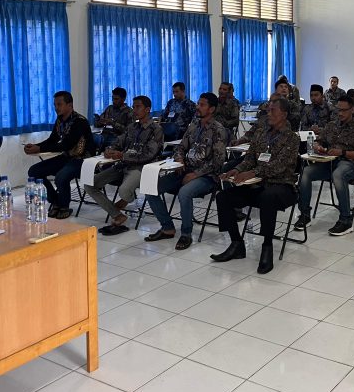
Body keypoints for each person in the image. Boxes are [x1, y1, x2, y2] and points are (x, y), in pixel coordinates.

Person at [212, 97, 300, 274]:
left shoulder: (291, 138)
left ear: (284, 114)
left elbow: (279, 166)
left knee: (268, 197)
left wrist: (253, 173)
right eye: (268, 110)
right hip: (257, 184)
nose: (269, 113)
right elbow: (250, 159)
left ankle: (267, 247)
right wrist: (236, 170)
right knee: (223, 197)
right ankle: (236, 243)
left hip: (282, 185)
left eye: (273, 110)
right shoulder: (261, 133)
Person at [146, 93, 227, 250]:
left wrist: (196, 174)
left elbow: (218, 162)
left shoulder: (218, 130)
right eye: (198, 103)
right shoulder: (194, 126)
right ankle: (167, 227)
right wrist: (180, 160)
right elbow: (181, 148)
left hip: (207, 176)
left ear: (211, 109)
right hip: (184, 170)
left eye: (202, 105)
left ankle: (186, 233)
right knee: (150, 189)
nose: (198, 107)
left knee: (184, 192)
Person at [84, 96, 164, 235]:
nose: (134, 110)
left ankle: (126, 199)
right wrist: (110, 149)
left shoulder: (155, 129)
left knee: (123, 190)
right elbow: (118, 142)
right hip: (123, 165)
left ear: (147, 109)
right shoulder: (132, 127)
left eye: (138, 107)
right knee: (89, 184)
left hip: (142, 168)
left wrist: (122, 155)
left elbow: (149, 155)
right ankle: (117, 214)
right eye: (133, 107)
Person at [295, 95, 354, 236]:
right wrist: (318, 146)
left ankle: (346, 220)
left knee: (338, 174)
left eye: (344, 110)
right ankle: (304, 214)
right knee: (306, 172)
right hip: (328, 163)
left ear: (352, 110)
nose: (340, 113)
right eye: (338, 110)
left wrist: (342, 152)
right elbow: (320, 141)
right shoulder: (331, 125)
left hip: (350, 165)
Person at [25, 91, 96, 219]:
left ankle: (64, 206)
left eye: (59, 104)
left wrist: (39, 148)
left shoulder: (80, 121)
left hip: (83, 159)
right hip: (67, 157)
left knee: (60, 177)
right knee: (34, 171)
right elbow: (52, 140)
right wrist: (35, 146)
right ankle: (55, 201)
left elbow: (66, 144)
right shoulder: (60, 120)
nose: (56, 108)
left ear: (70, 105)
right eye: (55, 105)